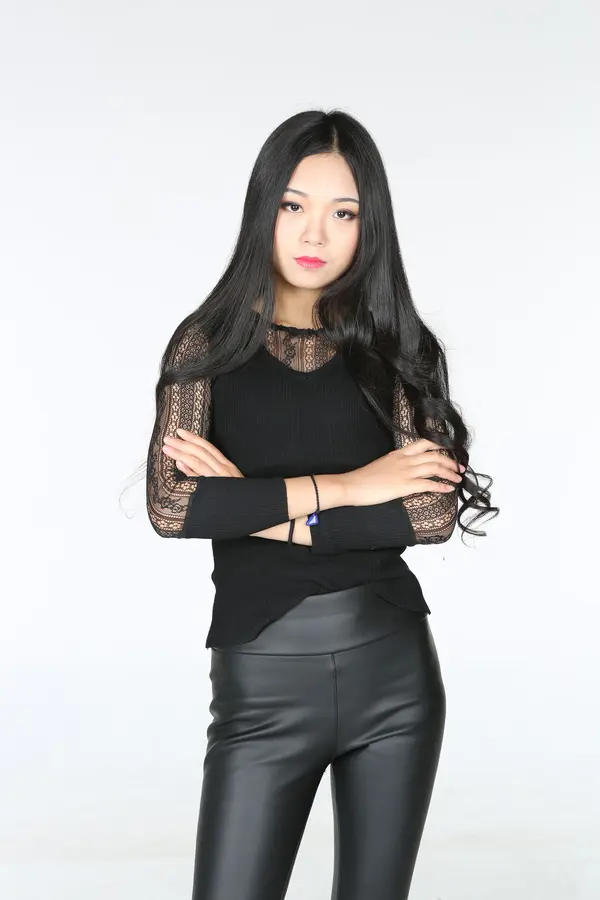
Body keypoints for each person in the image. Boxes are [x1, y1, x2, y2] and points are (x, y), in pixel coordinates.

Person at [142, 109, 497, 900]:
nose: (315, 233)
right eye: (294, 205)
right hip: (261, 689)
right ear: (263, 208)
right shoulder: (208, 347)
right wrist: (351, 487)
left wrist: (249, 503)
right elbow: (172, 506)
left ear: (370, 229)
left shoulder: (398, 349)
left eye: (344, 214)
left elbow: (429, 517)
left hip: (394, 679)